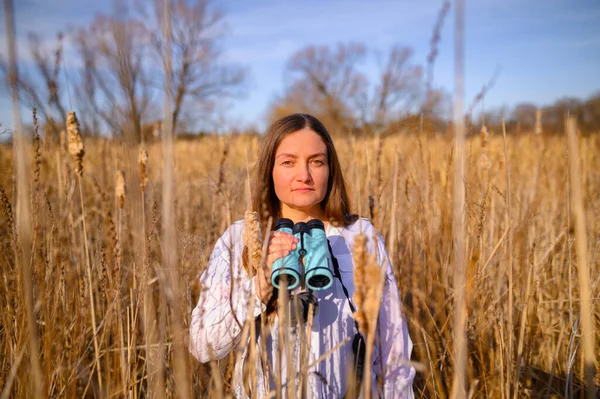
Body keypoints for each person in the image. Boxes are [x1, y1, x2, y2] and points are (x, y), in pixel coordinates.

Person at [189, 114, 415, 398]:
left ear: (330, 169)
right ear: (269, 171)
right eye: (288, 162)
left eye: (316, 161)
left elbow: (393, 348)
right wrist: (257, 289)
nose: (304, 175)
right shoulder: (241, 238)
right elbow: (202, 345)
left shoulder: (359, 236)